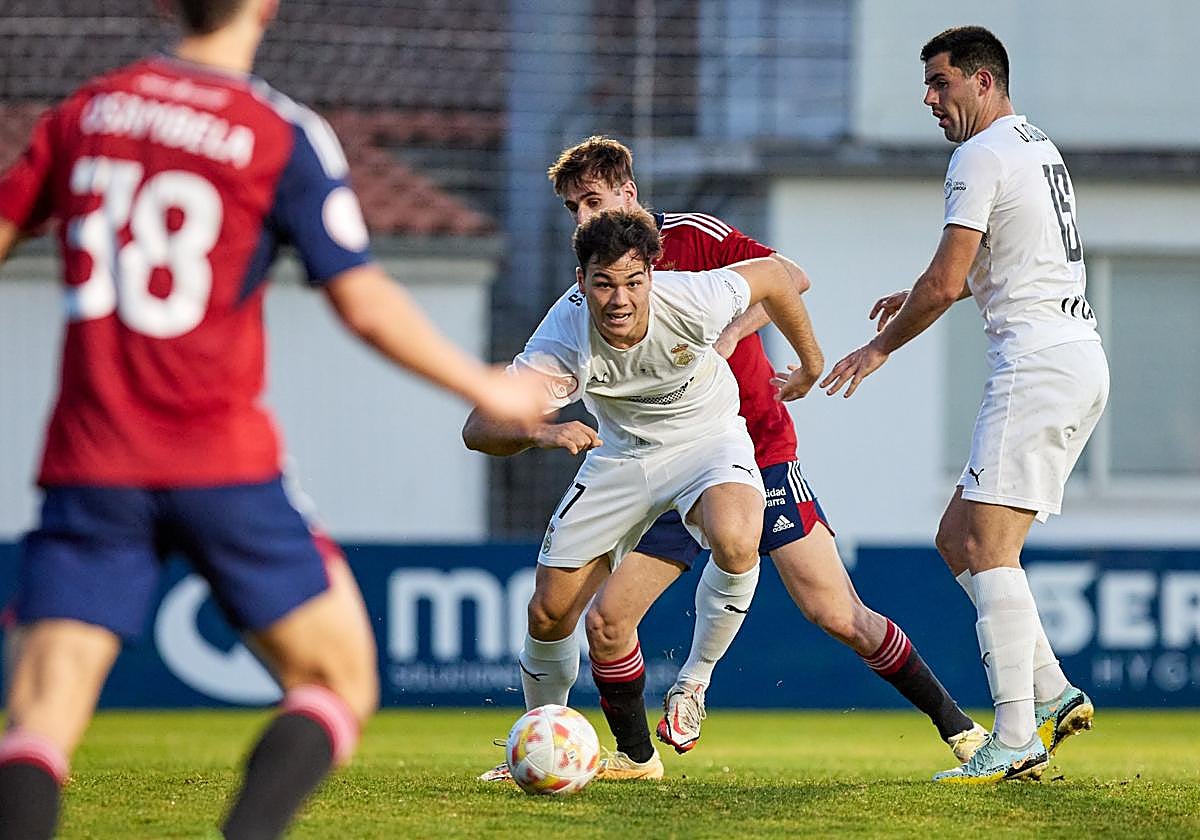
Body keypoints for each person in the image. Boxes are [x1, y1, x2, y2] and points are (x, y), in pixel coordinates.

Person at [0, 1, 546, 838]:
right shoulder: (277, 132)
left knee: (40, 723)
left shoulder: (86, 114)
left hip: (91, 463)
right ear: (265, 4)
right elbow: (360, 299)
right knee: (339, 681)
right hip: (221, 461)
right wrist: (482, 381)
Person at [496, 136, 983, 771]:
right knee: (606, 621)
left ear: (629, 193)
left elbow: (792, 278)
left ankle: (960, 729)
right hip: (653, 458)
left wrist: (727, 334)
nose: (586, 217)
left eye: (594, 200)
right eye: (573, 208)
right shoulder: (595, 284)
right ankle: (629, 757)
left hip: (753, 442)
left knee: (833, 610)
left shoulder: (693, 240)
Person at [820, 26, 1107, 783]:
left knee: (987, 549)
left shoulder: (977, 155)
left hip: (1037, 366)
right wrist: (914, 292)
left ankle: (1013, 737)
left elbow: (951, 280)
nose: (929, 98)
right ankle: (1053, 690)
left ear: (983, 81)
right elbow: (996, 257)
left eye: (941, 82)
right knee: (959, 539)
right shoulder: (1033, 145)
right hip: (1075, 358)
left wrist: (878, 349)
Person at [465, 206, 820, 780]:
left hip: (707, 440)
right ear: (582, 283)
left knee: (737, 537)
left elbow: (780, 276)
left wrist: (811, 362)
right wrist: (543, 430)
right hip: (621, 457)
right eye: (603, 283)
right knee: (550, 612)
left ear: (652, 277)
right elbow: (477, 429)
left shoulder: (693, 297)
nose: (620, 299)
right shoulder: (562, 335)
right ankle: (542, 741)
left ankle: (693, 684)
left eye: (633, 281)